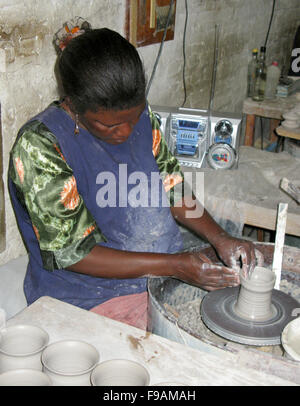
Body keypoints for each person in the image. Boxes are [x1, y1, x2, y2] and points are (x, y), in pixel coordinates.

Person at [9, 25, 258, 330]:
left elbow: (172, 185)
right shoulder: (42, 145)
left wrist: (220, 238)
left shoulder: (137, 114)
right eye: (108, 126)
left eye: (133, 118)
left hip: (159, 270)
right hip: (84, 292)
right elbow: (74, 254)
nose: (126, 132)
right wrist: (176, 267)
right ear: (73, 106)